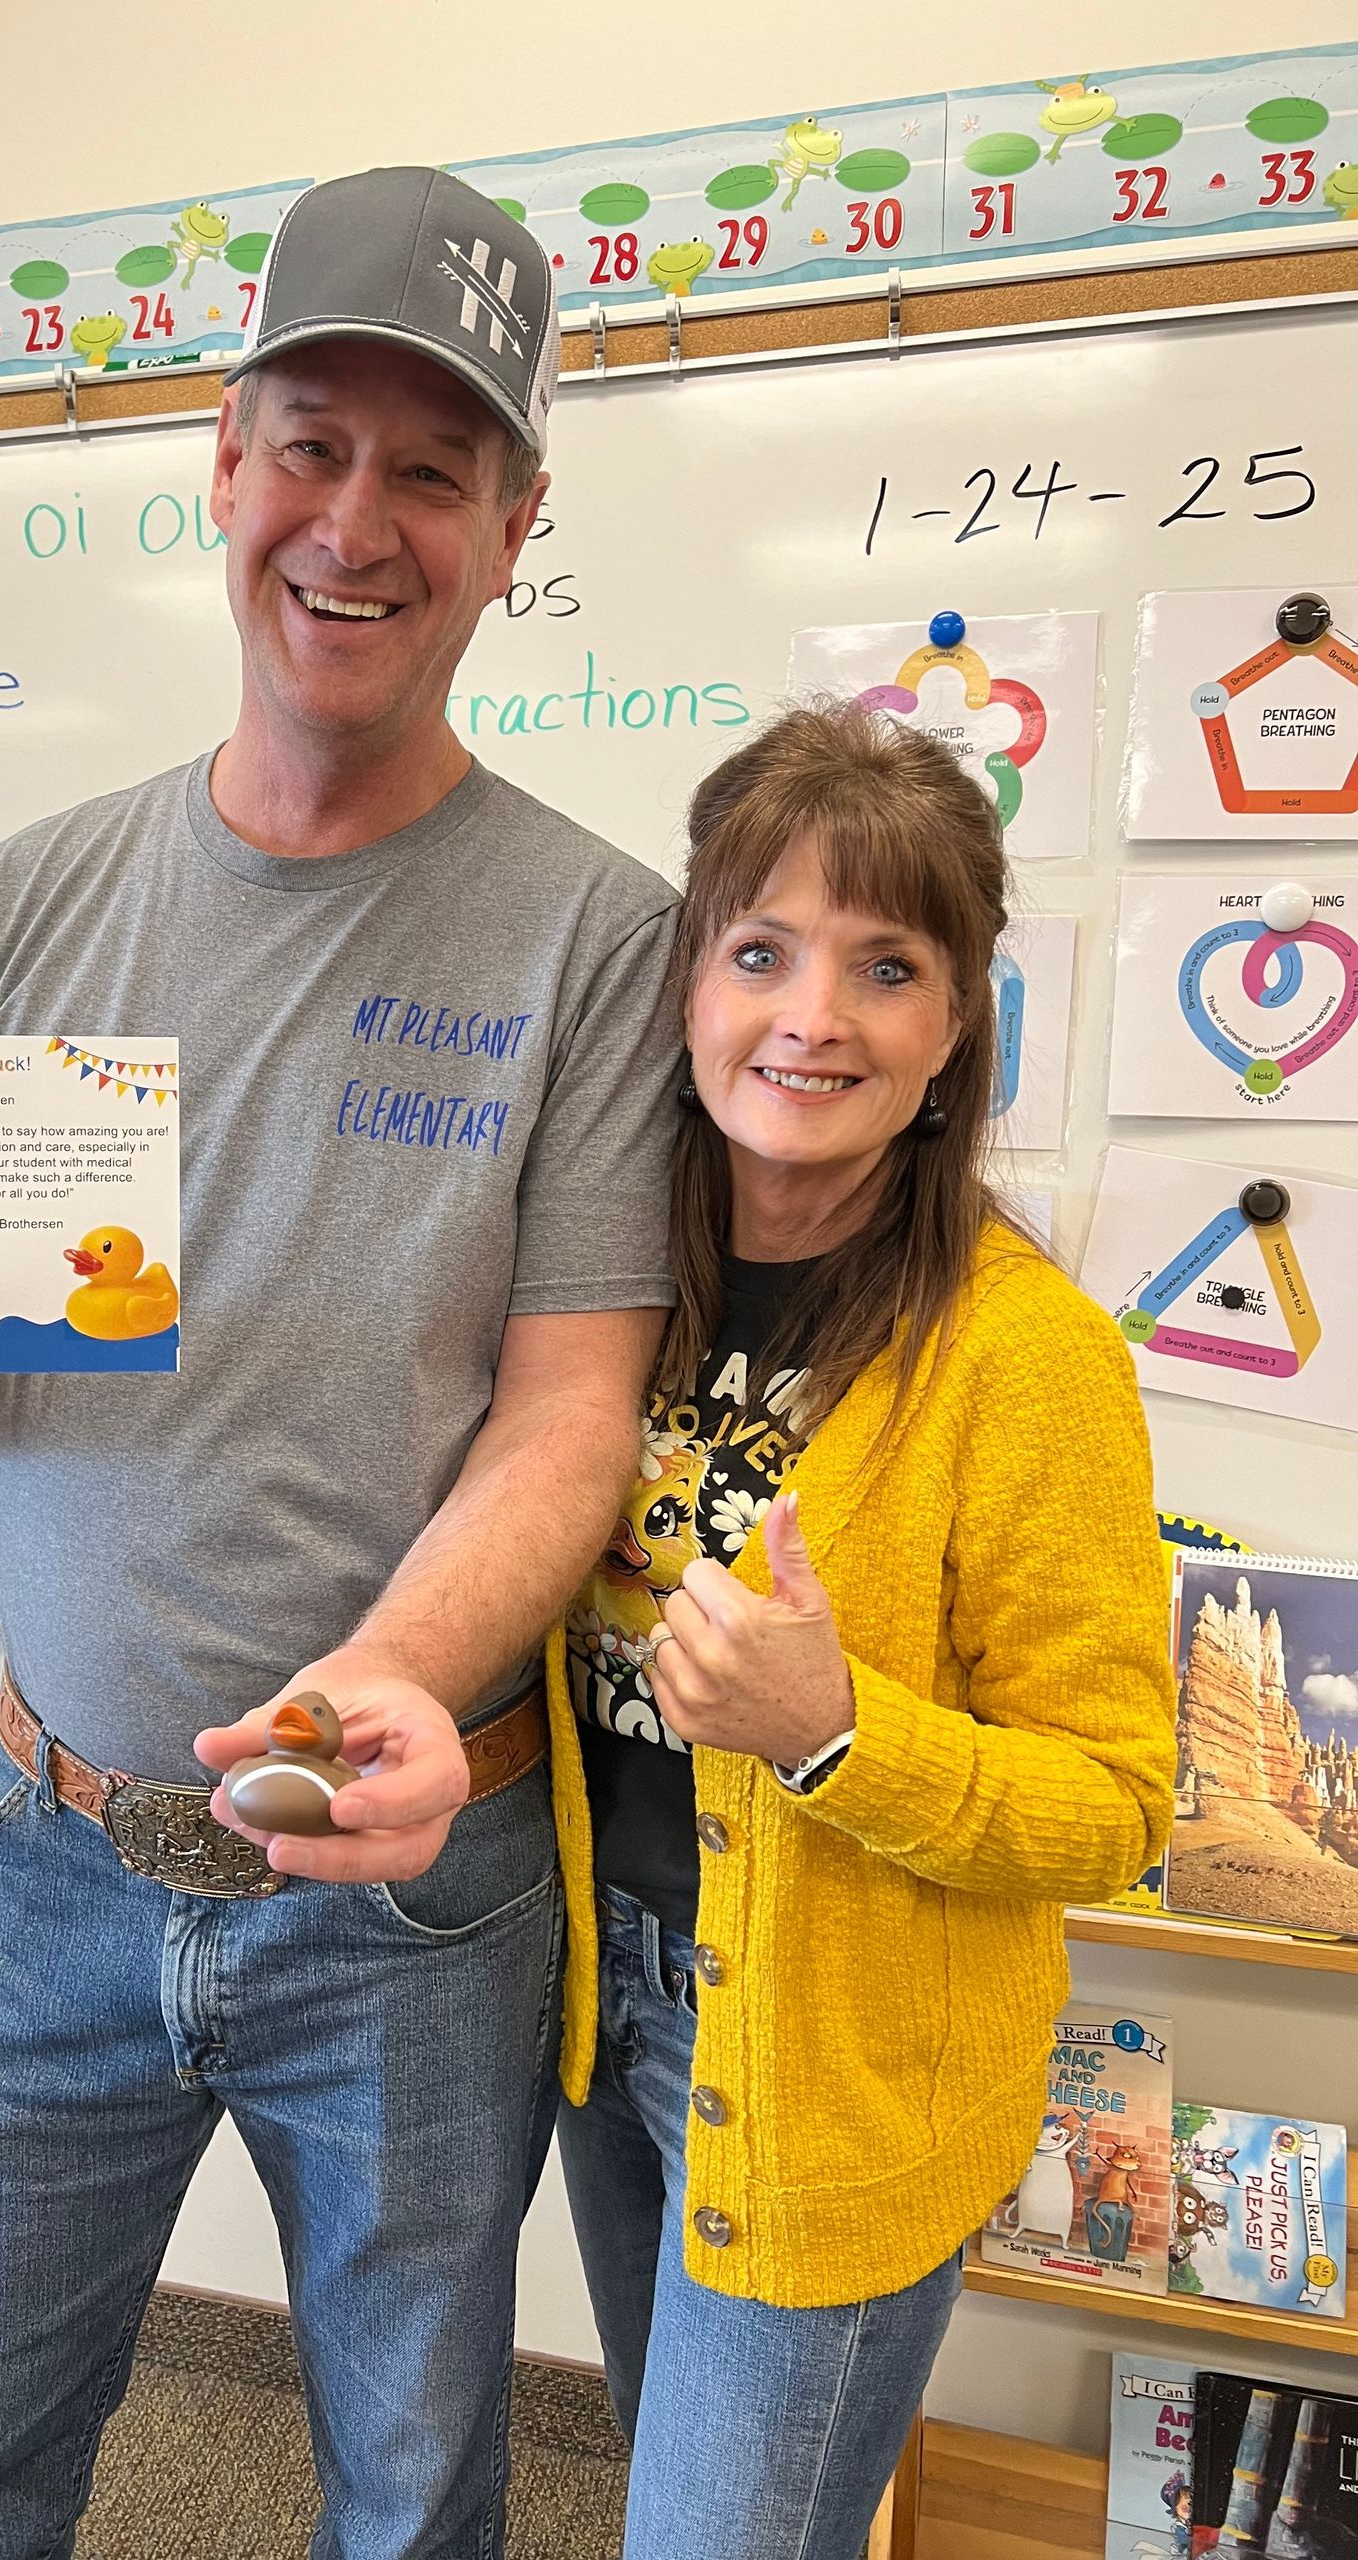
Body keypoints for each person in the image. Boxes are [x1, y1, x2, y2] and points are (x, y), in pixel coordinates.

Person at [0, 168, 684, 2560]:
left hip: (412, 1909)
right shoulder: (40, 890)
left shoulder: (601, 935)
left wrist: (376, 1688)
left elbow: (572, 1417)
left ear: (516, 524)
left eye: (433, 471)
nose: (359, 523)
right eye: (312, 447)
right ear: (221, 471)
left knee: (419, 2504)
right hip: (48, 1855)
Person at [551, 704, 1177, 2560]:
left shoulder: (1028, 1355)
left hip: (842, 2072)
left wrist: (836, 1731)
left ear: (957, 1021)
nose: (811, 1017)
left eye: (885, 966)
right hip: (608, 2010)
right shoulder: (604, 1274)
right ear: (689, 983)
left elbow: (1120, 1802)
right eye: (760, 952)